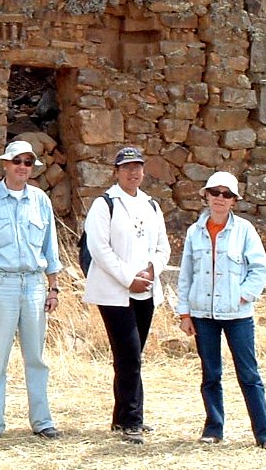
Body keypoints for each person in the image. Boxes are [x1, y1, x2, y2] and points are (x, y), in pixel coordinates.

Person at [0, 139, 63, 442]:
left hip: (33, 285)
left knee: (37, 358)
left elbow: (51, 248)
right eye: (17, 161)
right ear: (5, 164)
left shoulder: (40, 200)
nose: (22, 167)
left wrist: (54, 287)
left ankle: (42, 421)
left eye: (28, 162)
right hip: (0, 285)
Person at [176, 170, 266, 450]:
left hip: (238, 316)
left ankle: (265, 434)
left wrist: (242, 296)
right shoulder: (194, 232)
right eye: (215, 192)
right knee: (211, 374)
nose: (220, 198)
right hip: (202, 314)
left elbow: (259, 269)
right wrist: (184, 313)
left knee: (249, 374)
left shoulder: (245, 230)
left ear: (234, 200)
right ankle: (213, 428)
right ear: (206, 196)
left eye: (227, 194)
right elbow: (186, 275)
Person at [82, 145, 171, 444]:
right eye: (126, 167)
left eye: (138, 167)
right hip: (114, 294)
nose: (133, 172)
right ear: (116, 171)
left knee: (130, 356)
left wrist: (151, 270)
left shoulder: (151, 205)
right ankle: (133, 420)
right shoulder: (104, 204)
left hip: (144, 291)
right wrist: (127, 278)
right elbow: (99, 248)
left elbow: (163, 247)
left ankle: (121, 417)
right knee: (130, 354)